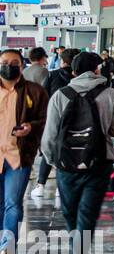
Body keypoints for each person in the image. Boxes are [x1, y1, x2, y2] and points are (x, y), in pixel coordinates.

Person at [40, 51, 114, 254]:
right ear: (98, 70)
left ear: (74, 72)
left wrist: (53, 162)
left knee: (71, 214)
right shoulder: (110, 94)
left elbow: (49, 136)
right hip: (98, 163)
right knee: (87, 215)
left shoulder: (60, 95)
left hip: (67, 166)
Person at [0, 49, 48, 254]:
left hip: (18, 156)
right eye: (4, 62)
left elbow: (46, 120)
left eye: (14, 62)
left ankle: (7, 248)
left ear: (22, 65)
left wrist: (31, 128)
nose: (9, 66)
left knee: (13, 203)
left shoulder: (34, 91)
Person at [30, 48, 77, 201]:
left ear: (62, 61)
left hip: (52, 118)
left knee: (48, 151)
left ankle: (40, 186)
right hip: (74, 120)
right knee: (68, 151)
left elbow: (42, 96)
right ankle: (60, 187)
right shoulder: (78, 76)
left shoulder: (52, 74)